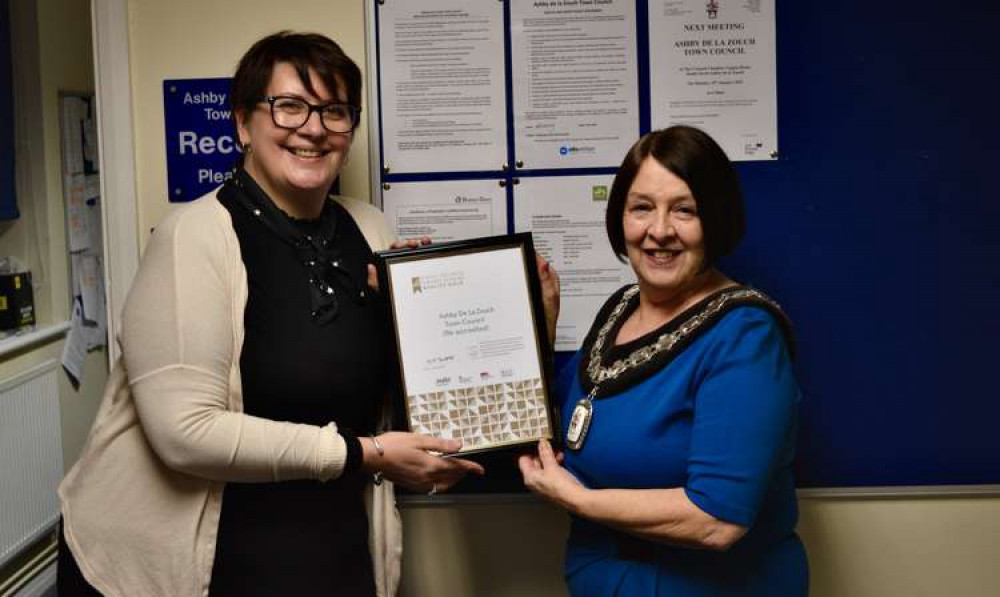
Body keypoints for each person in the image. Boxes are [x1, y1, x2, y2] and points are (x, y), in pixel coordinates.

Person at [57, 31, 484, 597]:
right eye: (288, 106)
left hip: (331, 540)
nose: (312, 127)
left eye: (334, 111)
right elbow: (185, 434)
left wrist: (429, 310)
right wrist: (363, 454)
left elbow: (397, 389)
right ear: (242, 124)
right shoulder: (193, 236)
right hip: (203, 556)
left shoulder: (370, 228)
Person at [519, 126, 808, 596]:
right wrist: (542, 326)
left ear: (715, 219)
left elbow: (718, 519)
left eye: (684, 210)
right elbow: (570, 421)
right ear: (620, 218)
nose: (659, 231)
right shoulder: (619, 308)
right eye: (641, 208)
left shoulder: (745, 334)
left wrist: (577, 499)